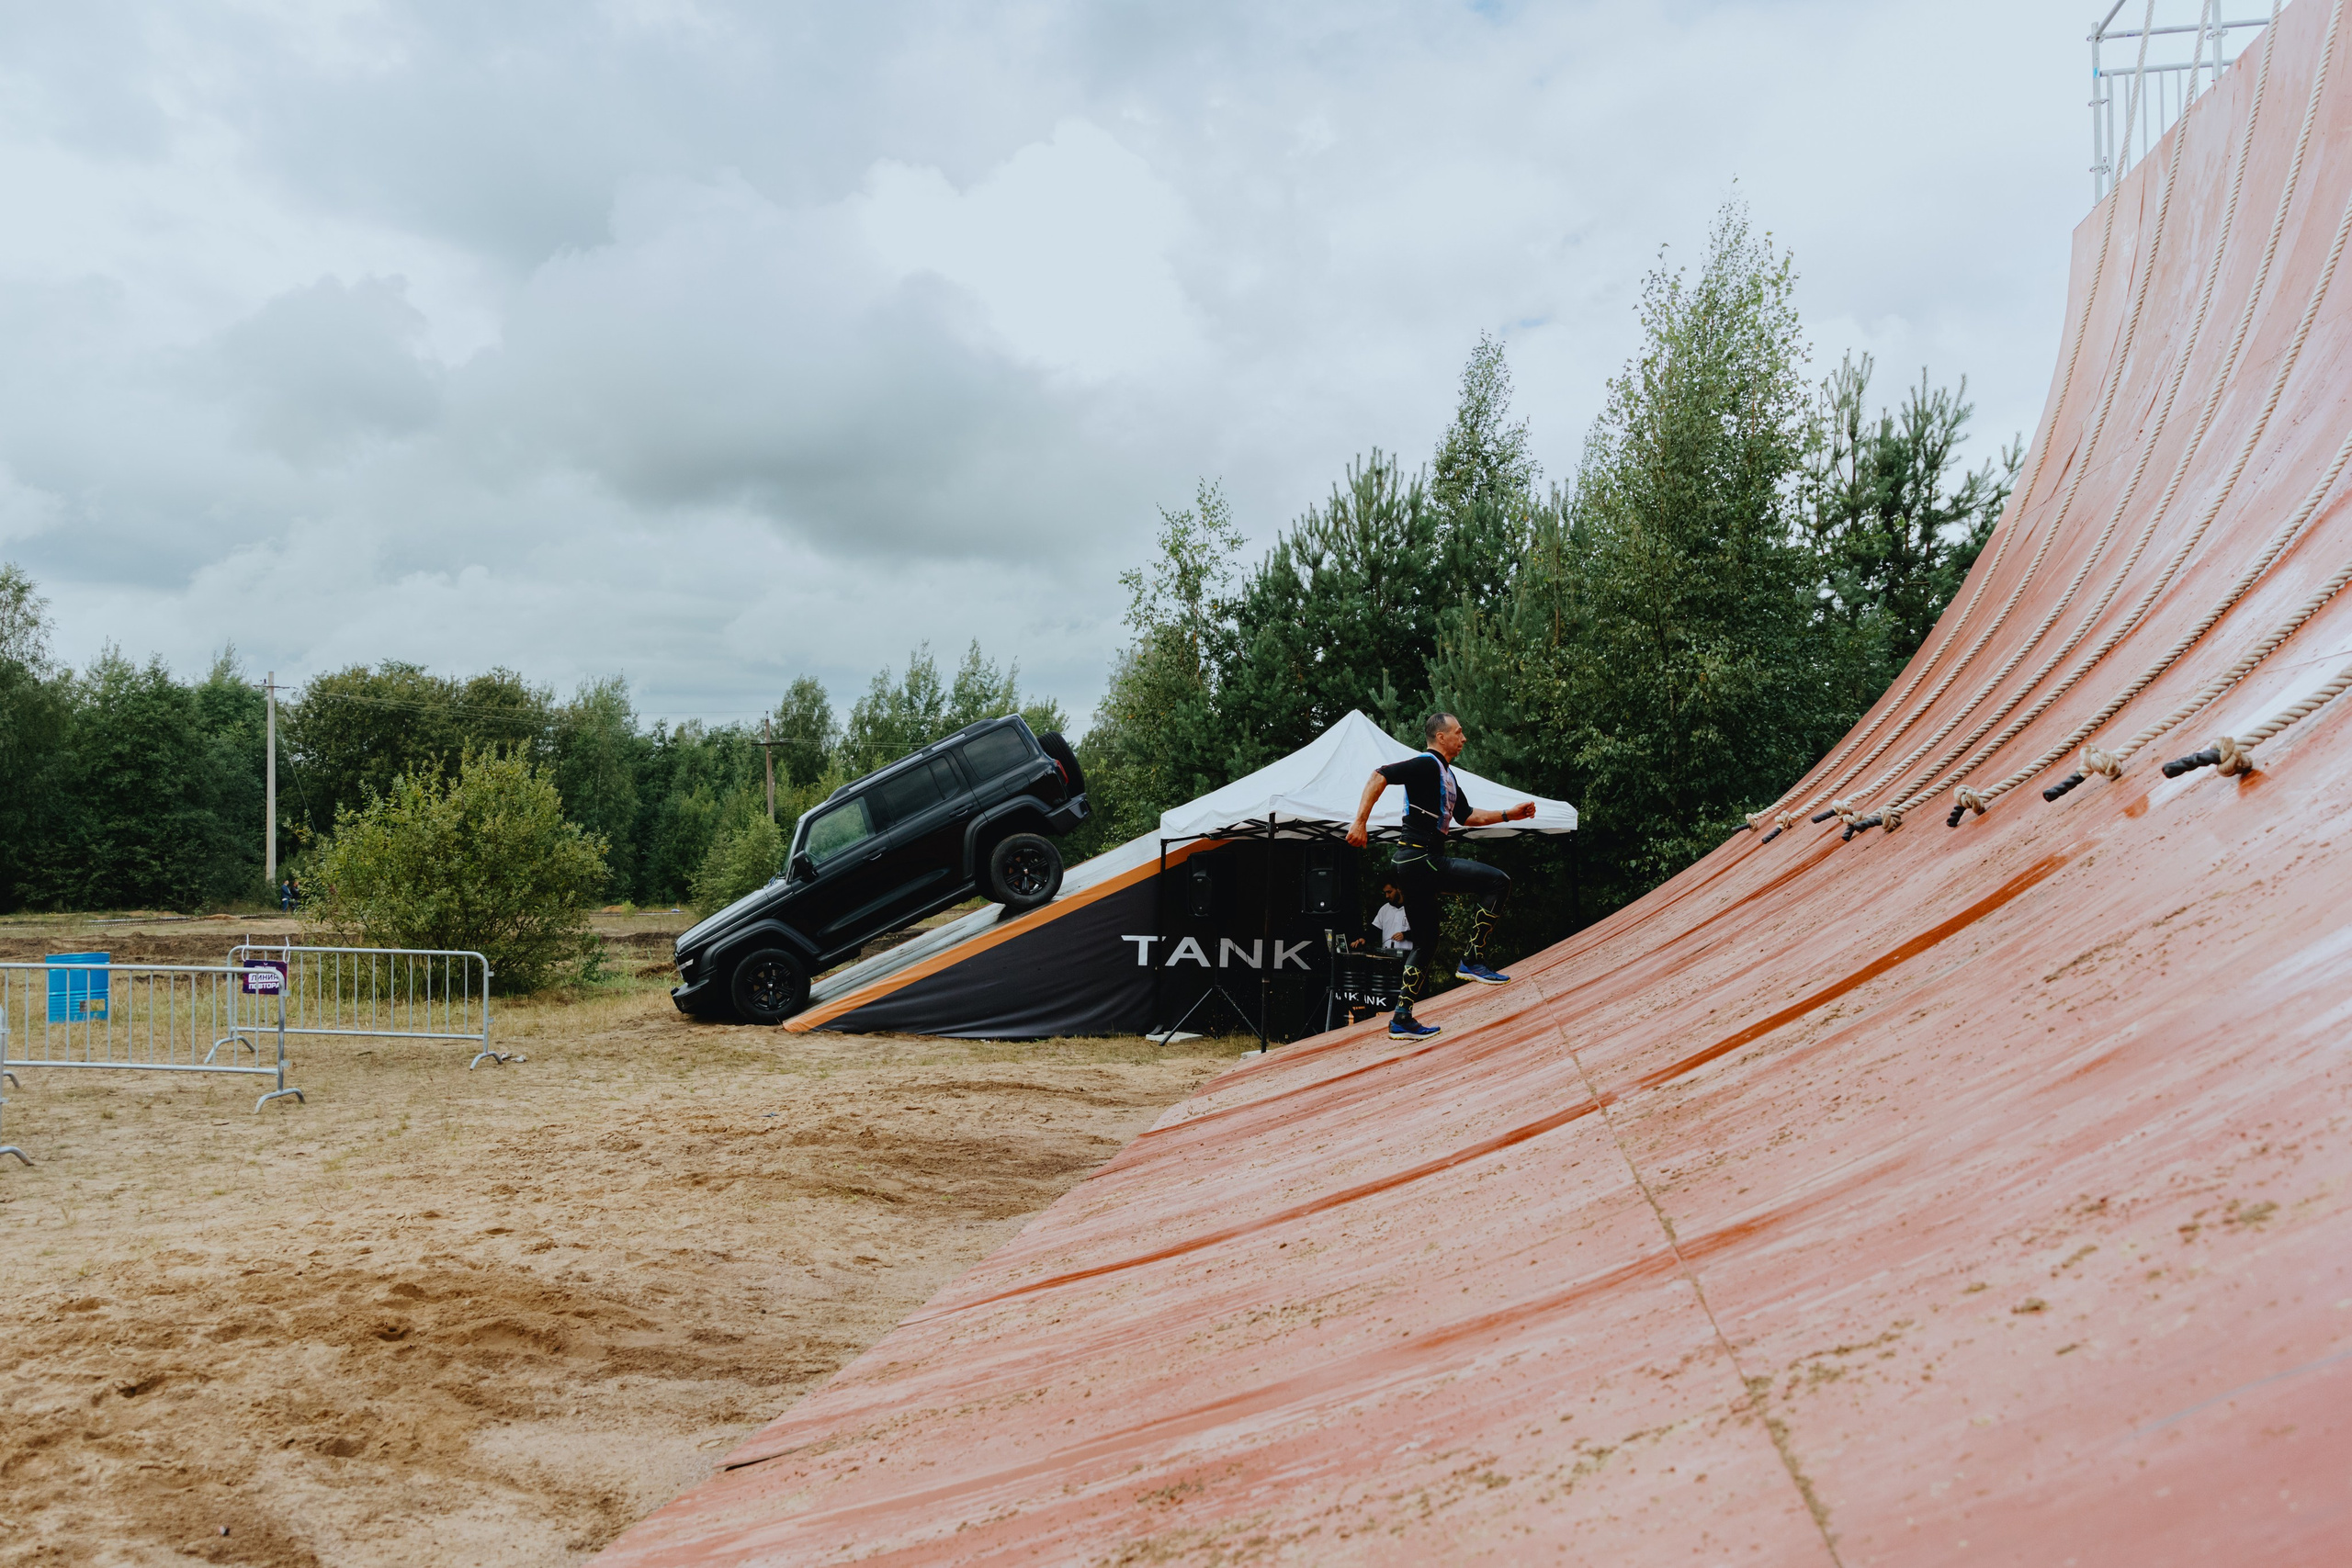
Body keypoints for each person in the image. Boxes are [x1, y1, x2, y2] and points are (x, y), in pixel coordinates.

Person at [1346, 711, 1536, 1041]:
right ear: (1441, 737)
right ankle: (1472, 959)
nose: (1464, 739)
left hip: (1414, 863)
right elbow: (1379, 775)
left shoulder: (1446, 775)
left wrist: (1509, 814)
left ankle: (1401, 1018)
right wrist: (1359, 821)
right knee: (1498, 881)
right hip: (1421, 859)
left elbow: (1467, 816)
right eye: (1459, 733)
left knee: (1426, 942)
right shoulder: (1425, 764)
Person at [1369, 882, 1412, 953]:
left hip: (1409, 956)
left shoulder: (1413, 908)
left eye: (1389, 892)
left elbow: (1422, 933)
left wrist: (1405, 935)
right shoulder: (1384, 909)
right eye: (1385, 893)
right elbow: (1375, 930)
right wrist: (1365, 939)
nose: (1387, 896)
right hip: (1387, 956)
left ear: (1399, 889)